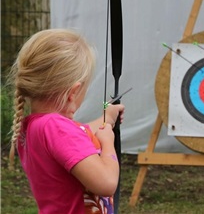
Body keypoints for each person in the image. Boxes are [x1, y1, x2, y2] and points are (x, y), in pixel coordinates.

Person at [8, 28, 125, 214]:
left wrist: (107, 119)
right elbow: (106, 182)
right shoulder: (57, 128)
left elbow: (78, 135)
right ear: (73, 92)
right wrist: (108, 142)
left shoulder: (35, 125)